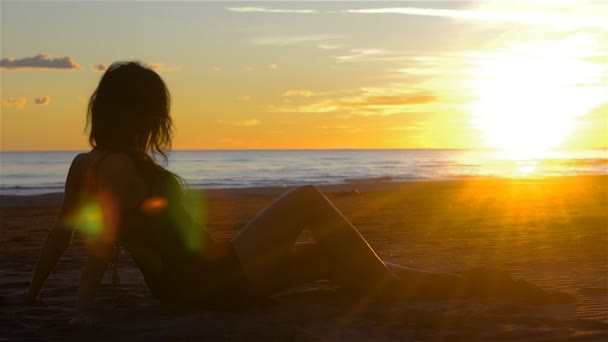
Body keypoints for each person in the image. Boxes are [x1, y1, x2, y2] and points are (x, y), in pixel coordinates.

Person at [10, 62, 573, 323]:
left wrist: (35, 297)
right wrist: (80, 313)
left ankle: (459, 285)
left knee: (336, 258)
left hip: (201, 284)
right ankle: (448, 285)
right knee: (306, 197)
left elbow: (62, 234)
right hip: (214, 278)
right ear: (140, 111)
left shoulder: (85, 162)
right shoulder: (119, 168)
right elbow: (99, 244)